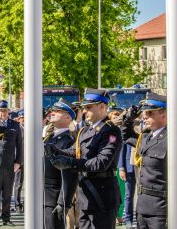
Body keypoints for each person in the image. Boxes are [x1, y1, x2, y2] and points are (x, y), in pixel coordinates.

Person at [47, 88, 122, 229]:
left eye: (89, 107)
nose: (85, 111)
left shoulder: (111, 131)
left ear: (102, 107)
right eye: (84, 108)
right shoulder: (85, 130)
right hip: (85, 196)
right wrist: (57, 151)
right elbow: (75, 152)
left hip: (102, 196)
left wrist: (70, 163)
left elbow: (101, 162)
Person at [122, 92, 167, 229]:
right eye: (144, 113)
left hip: (160, 207)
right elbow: (125, 135)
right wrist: (130, 117)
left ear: (163, 115)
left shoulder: (172, 139)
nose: (145, 116)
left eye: (150, 113)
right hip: (142, 206)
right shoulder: (146, 137)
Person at [43, 99, 78, 229]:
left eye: (58, 111)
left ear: (68, 117)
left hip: (54, 197)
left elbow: (69, 175)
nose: (53, 112)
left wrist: (64, 202)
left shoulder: (69, 141)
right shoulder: (49, 137)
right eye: (53, 110)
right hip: (44, 195)